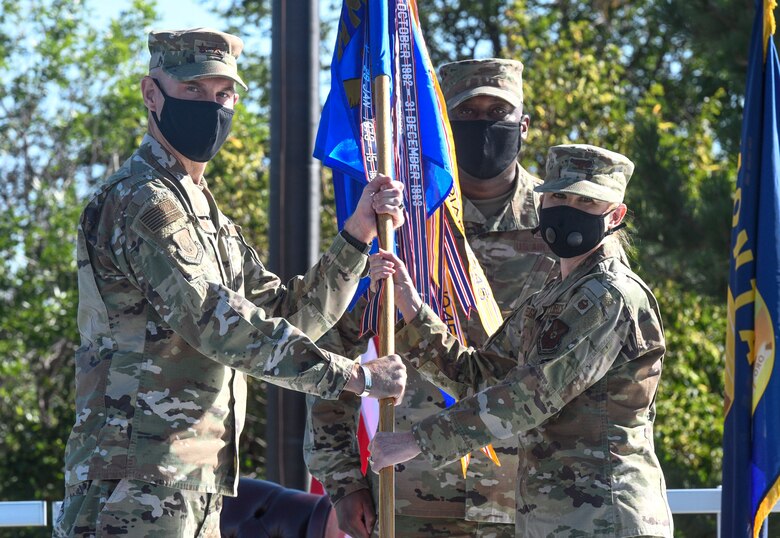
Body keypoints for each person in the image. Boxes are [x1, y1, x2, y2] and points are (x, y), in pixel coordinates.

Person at [53, 28, 408, 538]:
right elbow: (219, 324)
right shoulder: (143, 201)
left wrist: (356, 234)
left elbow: (287, 315)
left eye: (223, 94)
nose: (211, 106)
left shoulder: (203, 210)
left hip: (193, 488)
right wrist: (355, 377)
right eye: (193, 89)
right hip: (130, 488)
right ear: (151, 95)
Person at [304, 58, 557, 538]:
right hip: (415, 499)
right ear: (444, 124)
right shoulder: (399, 231)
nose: (482, 126)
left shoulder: (563, 229)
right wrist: (342, 481)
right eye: (467, 115)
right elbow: (332, 354)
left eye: (496, 114)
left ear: (523, 126)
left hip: (534, 499)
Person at [368, 144, 674, 537]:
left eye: (586, 201)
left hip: (606, 517)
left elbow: (531, 397)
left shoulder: (610, 297)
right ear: (542, 201)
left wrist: (419, 441)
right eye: (560, 196)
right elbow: (477, 376)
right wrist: (411, 307)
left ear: (615, 215)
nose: (569, 209)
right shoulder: (548, 299)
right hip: (549, 518)